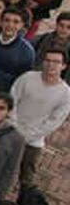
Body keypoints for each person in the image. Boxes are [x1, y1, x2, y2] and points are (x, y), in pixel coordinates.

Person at [10, 48, 70, 190]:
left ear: (63, 66)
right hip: (10, 132)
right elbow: (12, 101)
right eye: (48, 60)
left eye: (56, 62)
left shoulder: (65, 93)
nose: (51, 64)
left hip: (34, 141)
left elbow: (54, 121)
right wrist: (14, 127)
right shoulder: (27, 78)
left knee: (26, 179)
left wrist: (29, 135)